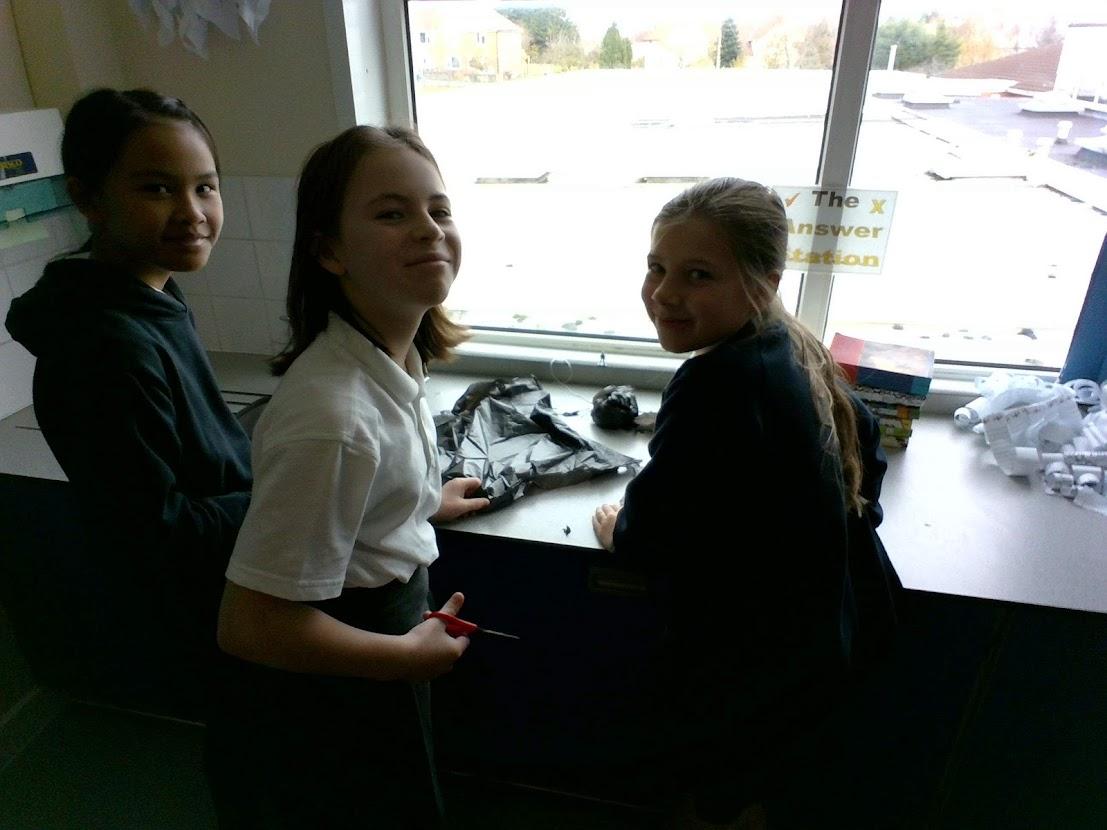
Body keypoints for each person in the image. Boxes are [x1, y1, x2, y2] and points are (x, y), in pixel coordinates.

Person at [592, 178, 900, 829]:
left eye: (698, 274)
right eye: (656, 267)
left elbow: (651, 536)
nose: (664, 293)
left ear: (763, 283)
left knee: (716, 797)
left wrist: (619, 530)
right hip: (822, 639)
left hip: (750, 662)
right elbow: (866, 467)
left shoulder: (713, 383)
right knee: (754, 787)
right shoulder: (796, 344)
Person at [208, 125, 490, 829]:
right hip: (341, 671)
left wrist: (418, 503)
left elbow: (357, 498)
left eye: (439, 209)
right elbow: (250, 625)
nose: (428, 229)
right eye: (392, 213)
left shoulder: (390, 357)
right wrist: (402, 659)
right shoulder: (333, 418)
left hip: (378, 640)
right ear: (329, 251)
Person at [5, 88, 251, 716]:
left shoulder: (152, 296)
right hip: (203, 611)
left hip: (228, 580)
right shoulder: (105, 346)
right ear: (88, 198)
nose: (192, 212)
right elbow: (154, 533)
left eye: (206, 187)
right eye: (157, 188)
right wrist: (283, 497)